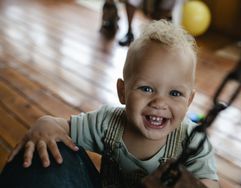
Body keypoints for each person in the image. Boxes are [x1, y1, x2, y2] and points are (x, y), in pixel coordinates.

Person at [1, 20, 220, 188]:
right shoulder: (107, 123)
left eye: (174, 93)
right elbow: (61, 129)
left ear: (189, 100)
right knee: (47, 150)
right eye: (146, 88)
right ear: (122, 92)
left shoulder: (193, 142)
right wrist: (46, 123)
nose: (159, 102)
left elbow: (209, 182)